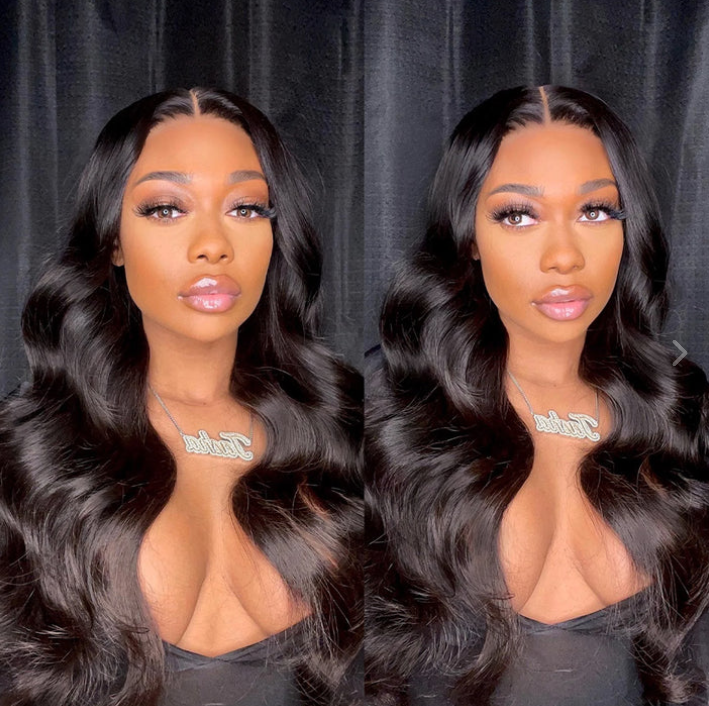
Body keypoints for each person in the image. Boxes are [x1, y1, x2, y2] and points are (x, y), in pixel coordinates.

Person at [0, 88, 362, 706]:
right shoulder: (26, 457)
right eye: (167, 208)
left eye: (246, 208)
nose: (212, 244)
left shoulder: (351, 435)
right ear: (113, 240)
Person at [366, 85, 709, 705]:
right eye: (518, 215)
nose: (564, 257)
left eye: (595, 211)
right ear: (468, 235)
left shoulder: (684, 415)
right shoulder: (380, 417)